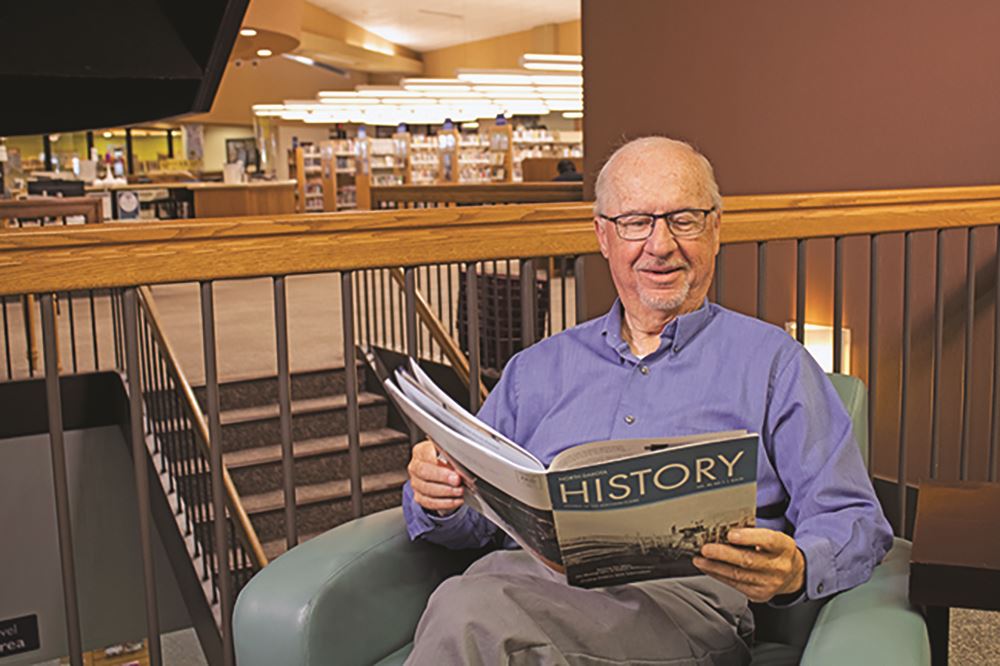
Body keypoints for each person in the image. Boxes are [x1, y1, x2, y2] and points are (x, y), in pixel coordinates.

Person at [402, 136, 893, 665]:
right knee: (484, 616)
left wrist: (797, 567)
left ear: (716, 229)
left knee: (466, 613)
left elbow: (854, 517)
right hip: (519, 587)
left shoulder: (773, 362)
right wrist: (437, 494)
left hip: (679, 613)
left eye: (683, 219)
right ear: (603, 236)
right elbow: (473, 522)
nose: (660, 245)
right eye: (636, 222)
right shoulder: (534, 370)